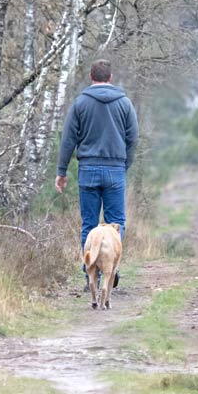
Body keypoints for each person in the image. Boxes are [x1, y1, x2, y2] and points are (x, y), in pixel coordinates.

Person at [56, 60, 138, 286]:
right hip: (115, 169)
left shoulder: (80, 103)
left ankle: (90, 274)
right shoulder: (124, 103)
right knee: (116, 223)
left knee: (89, 225)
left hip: (88, 169)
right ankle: (110, 270)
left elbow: (68, 139)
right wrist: (124, 164)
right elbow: (133, 139)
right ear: (110, 77)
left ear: (91, 77)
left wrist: (61, 171)